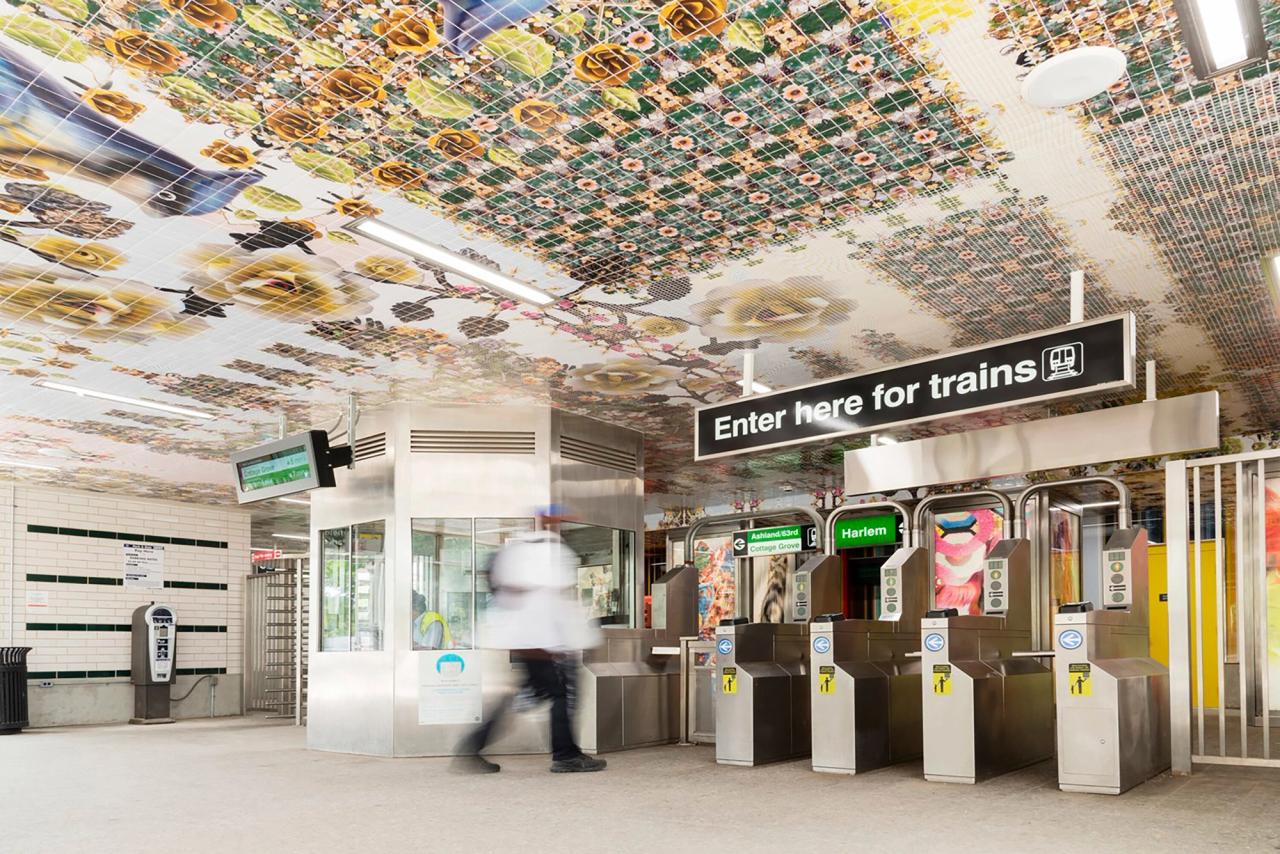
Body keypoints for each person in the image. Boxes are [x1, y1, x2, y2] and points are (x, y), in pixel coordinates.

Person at [455, 505, 606, 774]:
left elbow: (509, 591)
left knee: (531, 695)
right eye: (561, 517)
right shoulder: (552, 551)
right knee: (559, 694)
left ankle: (473, 746)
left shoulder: (515, 550)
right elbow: (556, 602)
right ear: (551, 520)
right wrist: (568, 642)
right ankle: (565, 755)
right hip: (541, 641)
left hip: (526, 640)